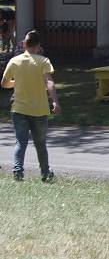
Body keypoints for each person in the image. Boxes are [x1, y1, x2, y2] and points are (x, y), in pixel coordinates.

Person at [1, 30, 60, 182]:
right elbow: (49, 82)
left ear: (24, 44)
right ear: (39, 46)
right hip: (39, 110)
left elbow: (4, 83)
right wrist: (55, 101)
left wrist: (17, 82)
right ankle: (45, 173)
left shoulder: (14, 61)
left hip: (19, 109)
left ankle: (18, 172)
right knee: (40, 143)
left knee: (21, 142)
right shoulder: (44, 61)